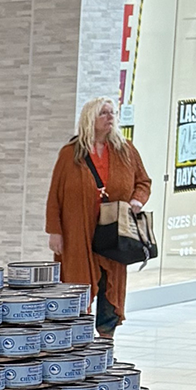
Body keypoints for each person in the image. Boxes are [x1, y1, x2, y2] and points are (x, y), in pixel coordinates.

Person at [44, 96, 152, 336]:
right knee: (77, 286)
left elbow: (143, 182)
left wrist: (137, 200)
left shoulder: (126, 150)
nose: (110, 117)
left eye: (112, 112)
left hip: (114, 234)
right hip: (78, 233)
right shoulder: (70, 154)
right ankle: (76, 344)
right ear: (90, 119)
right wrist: (55, 231)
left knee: (109, 287)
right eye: (103, 113)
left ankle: (105, 347)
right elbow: (55, 195)